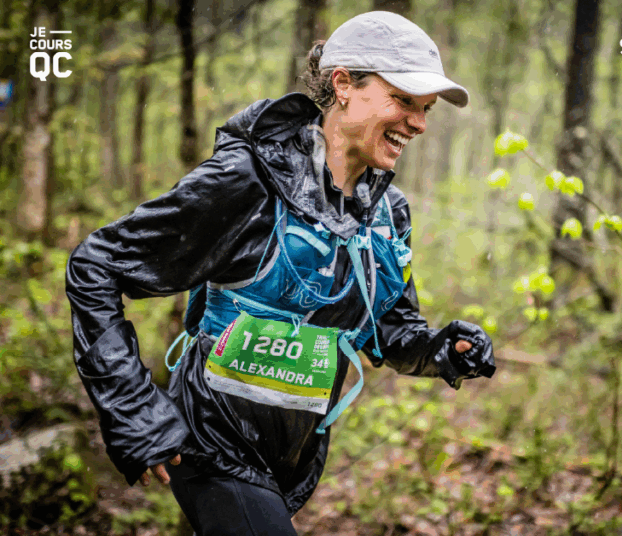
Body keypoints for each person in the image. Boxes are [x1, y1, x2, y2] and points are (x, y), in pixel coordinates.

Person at [65, 11, 495, 535]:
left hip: (292, 457)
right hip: (211, 439)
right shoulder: (247, 181)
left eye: (425, 110)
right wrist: (132, 409)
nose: (420, 124)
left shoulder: (387, 212)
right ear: (343, 84)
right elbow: (97, 265)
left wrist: (441, 351)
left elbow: (390, 330)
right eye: (404, 100)